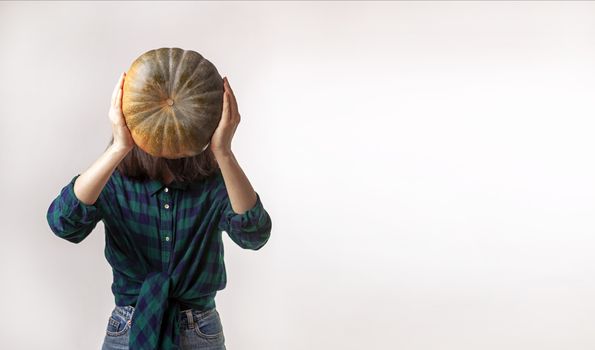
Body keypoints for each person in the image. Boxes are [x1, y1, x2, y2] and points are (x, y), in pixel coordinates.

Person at [46, 72, 272, 350]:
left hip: (198, 328)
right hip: (129, 326)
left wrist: (223, 150)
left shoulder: (216, 183)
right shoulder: (113, 181)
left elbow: (255, 235)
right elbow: (63, 223)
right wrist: (119, 147)